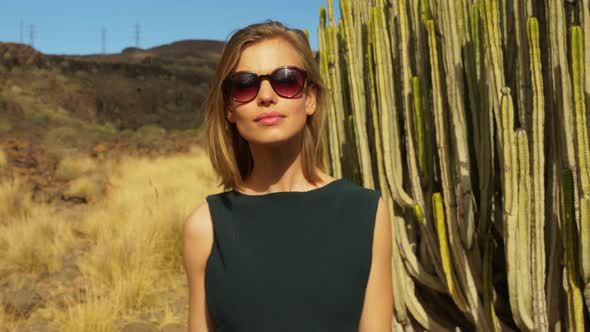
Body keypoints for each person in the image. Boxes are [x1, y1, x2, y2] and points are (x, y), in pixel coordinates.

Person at [183, 20, 393, 332]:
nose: (266, 96)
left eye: (286, 80)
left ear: (311, 98)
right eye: (244, 84)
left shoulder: (366, 212)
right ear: (229, 108)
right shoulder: (206, 227)